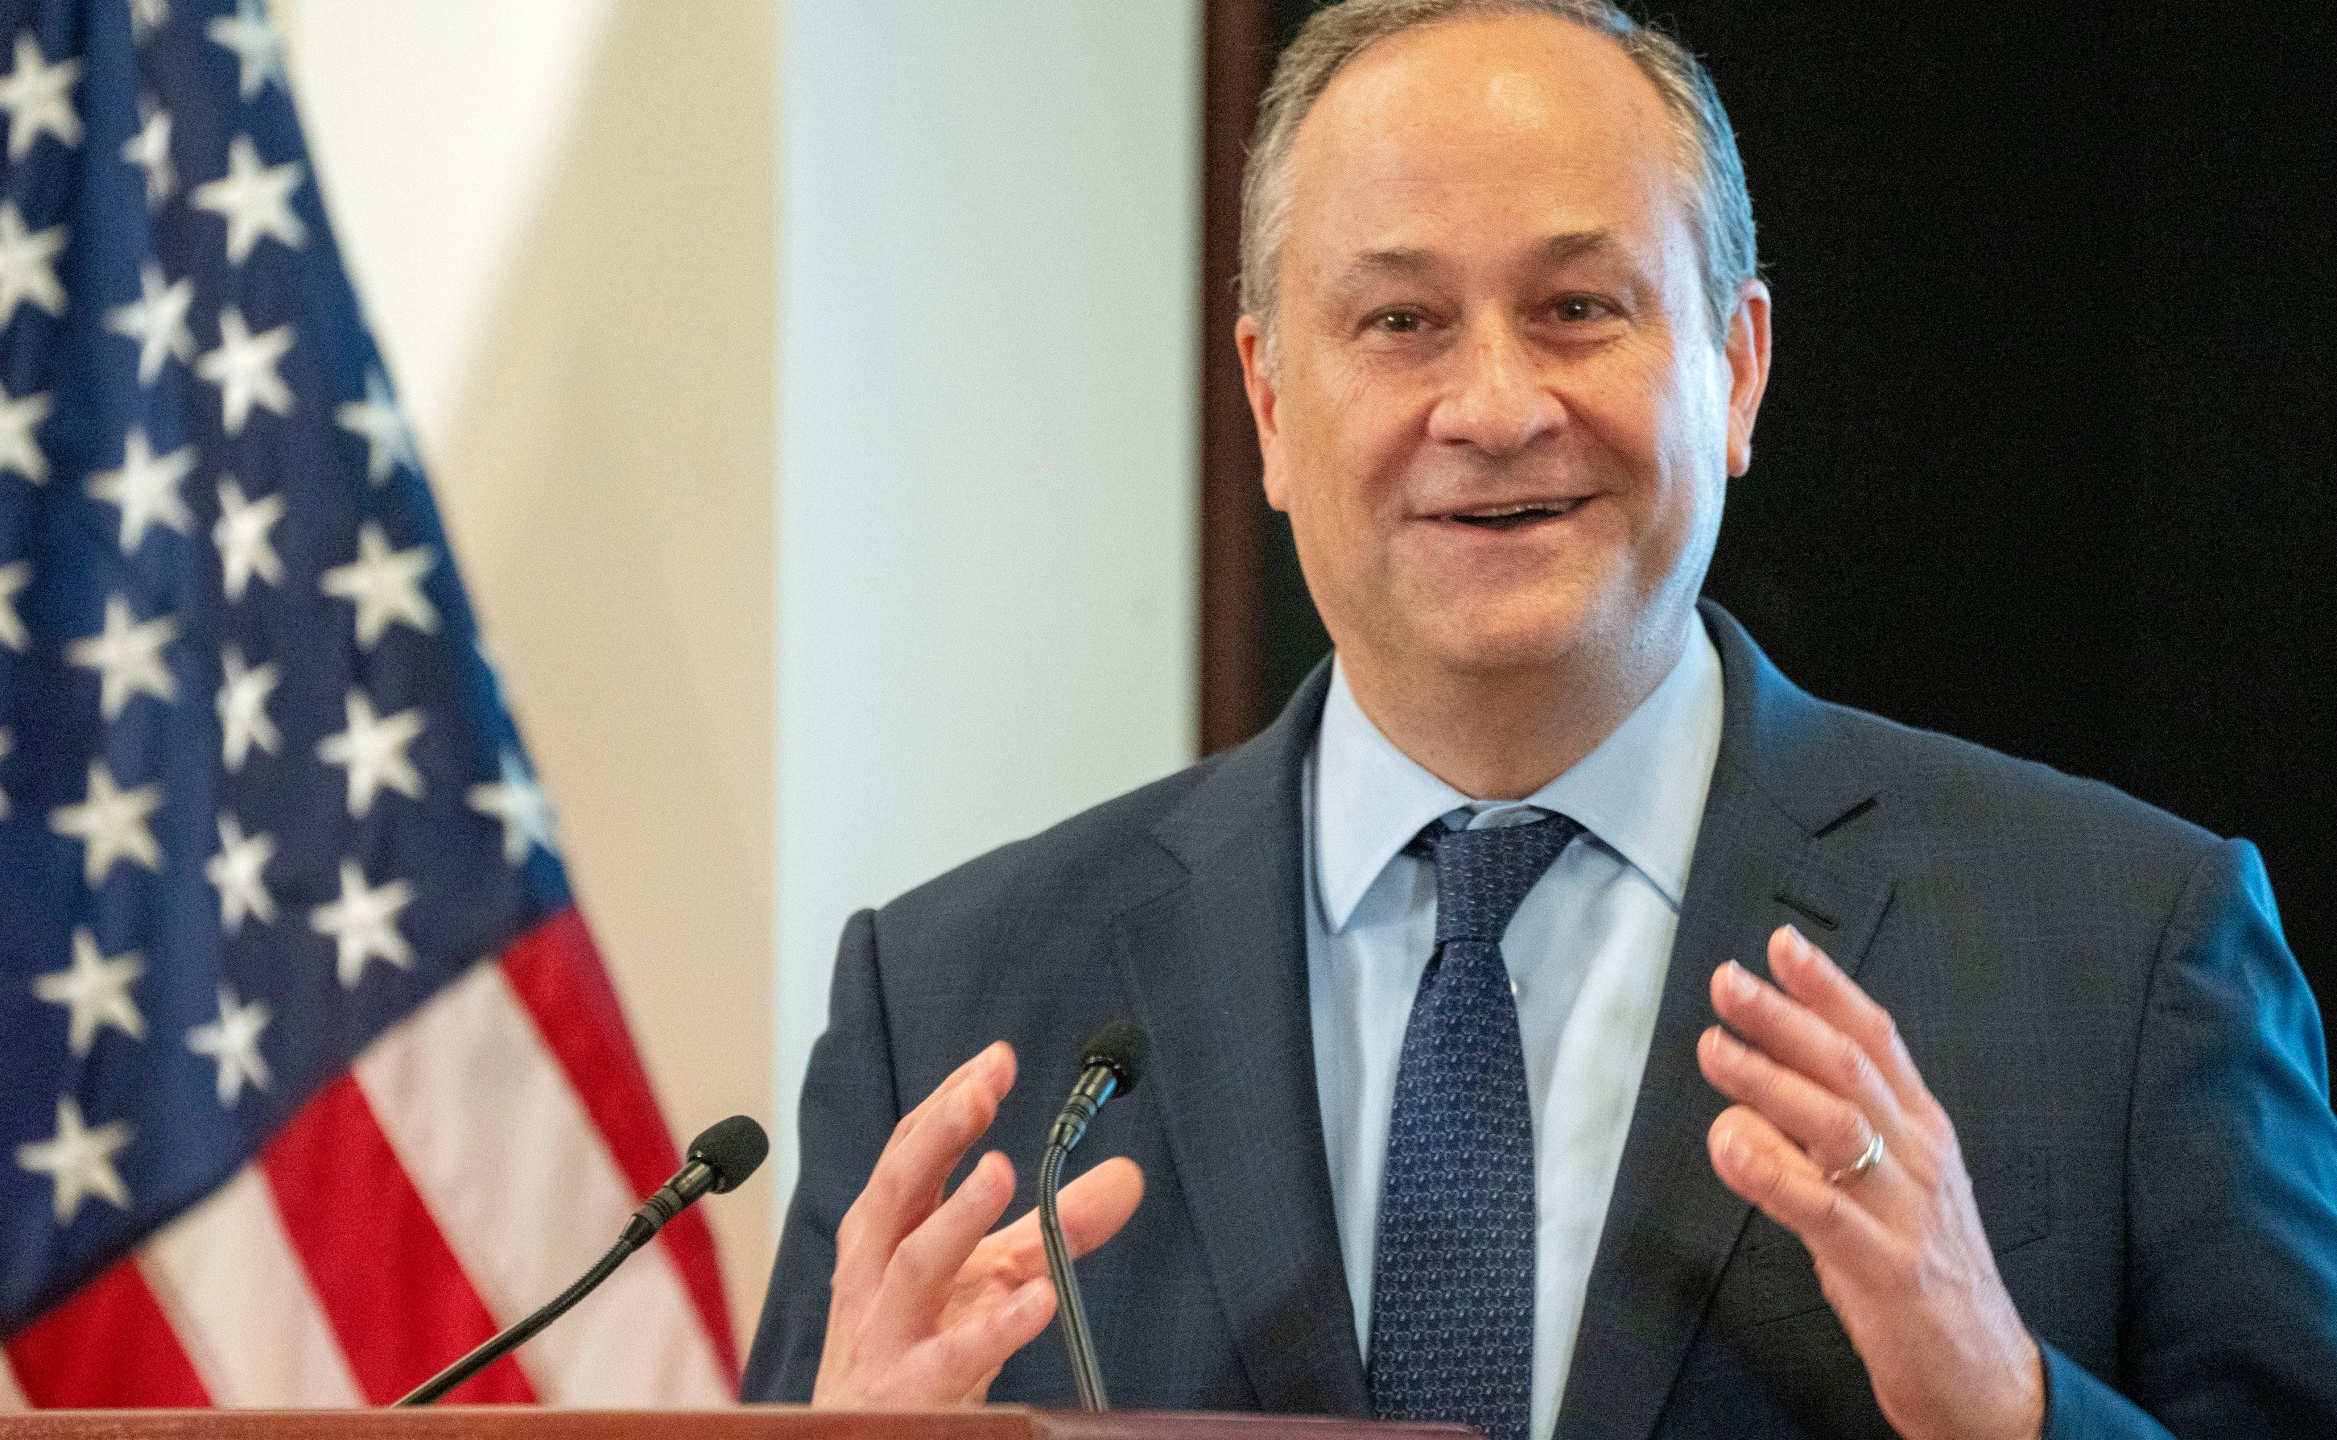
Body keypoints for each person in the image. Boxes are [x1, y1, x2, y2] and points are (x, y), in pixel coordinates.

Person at [742, 2, 2337, 1436]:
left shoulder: (2126, 955)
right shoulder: (953, 1004)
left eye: (1579, 307)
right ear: (1271, 402)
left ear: (1739, 367)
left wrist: (2010, 1413)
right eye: (1399, 322)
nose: (1497, 407)